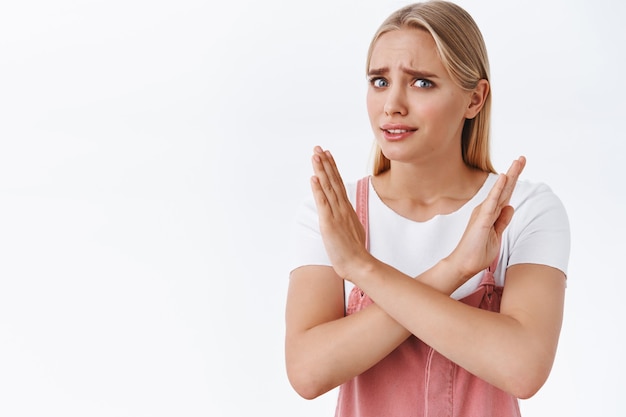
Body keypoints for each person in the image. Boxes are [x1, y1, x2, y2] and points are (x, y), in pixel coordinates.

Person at [284, 1, 570, 416]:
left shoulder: (524, 210)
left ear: (475, 99)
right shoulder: (332, 214)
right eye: (379, 81)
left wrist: (362, 268)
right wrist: (453, 270)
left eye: (421, 83)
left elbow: (523, 368)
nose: (392, 105)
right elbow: (307, 373)